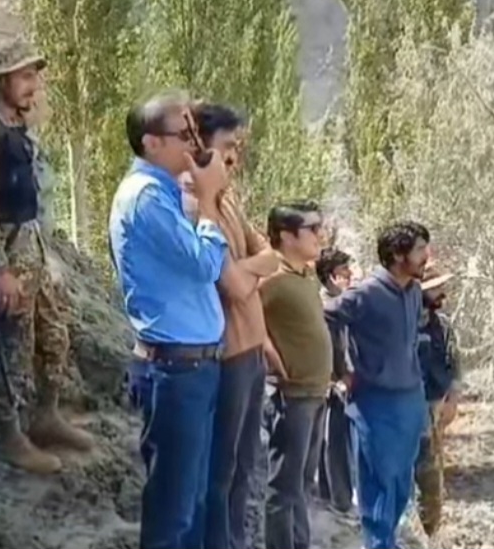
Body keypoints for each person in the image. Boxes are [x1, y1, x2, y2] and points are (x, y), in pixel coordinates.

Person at [0, 39, 95, 475]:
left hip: (32, 248)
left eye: (35, 76)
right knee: (12, 347)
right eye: (25, 76)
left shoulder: (15, 125)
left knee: (54, 333)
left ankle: (46, 415)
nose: (34, 86)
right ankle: (11, 433)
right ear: (1, 80)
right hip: (8, 254)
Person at [110, 90, 234, 549]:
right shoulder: (145, 198)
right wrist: (209, 201)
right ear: (151, 142)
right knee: (173, 510)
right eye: (184, 135)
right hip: (174, 369)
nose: (195, 145)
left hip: (195, 367)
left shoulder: (164, 193)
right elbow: (205, 264)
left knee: (193, 503)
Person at [189, 103, 280, 549]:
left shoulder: (228, 199)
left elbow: (271, 257)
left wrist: (246, 269)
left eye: (237, 148)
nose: (233, 158)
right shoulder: (195, 206)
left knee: (244, 466)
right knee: (220, 472)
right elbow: (234, 285)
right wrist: (249, 270)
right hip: (225, 356)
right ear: (199, 147)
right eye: (227, 146)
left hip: (251, 351)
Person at [324, 221, 431, 549]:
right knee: (379, 482)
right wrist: (339, 370)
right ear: (398, 255)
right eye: (420, 249)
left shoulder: (413, 291)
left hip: (410, 399)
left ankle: (389, 542)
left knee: (401, 483)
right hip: (376, 401)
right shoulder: (366, 293)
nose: (427, 256)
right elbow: (325, 317)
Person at [259, 201, 332, 549]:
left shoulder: (304, 275)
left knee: (302, 483)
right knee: (283, 487)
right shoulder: (271, 277)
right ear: (287, 236)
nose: (320, 235)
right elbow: (240, 312)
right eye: (312, 229)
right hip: (291, 396)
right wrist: (268, 352)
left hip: (316, 393)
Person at [414, 263, 462, 537]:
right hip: (403, 409)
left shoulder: (442, 326)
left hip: (433, 408)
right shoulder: (401, 324)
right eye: (435, 288)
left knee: (431, 477)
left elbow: (454, 363)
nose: (442, 293)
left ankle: (429, 532)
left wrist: (452, 399)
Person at [315, 247, 356, 517]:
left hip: (340, 382)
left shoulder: (341, 303)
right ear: (331, 276)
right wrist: (337, 378)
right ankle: (339, 501)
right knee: (334, 443)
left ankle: (331, 497)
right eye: (344, 271)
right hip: (329, 385)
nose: (349, 275)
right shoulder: (323, 308)